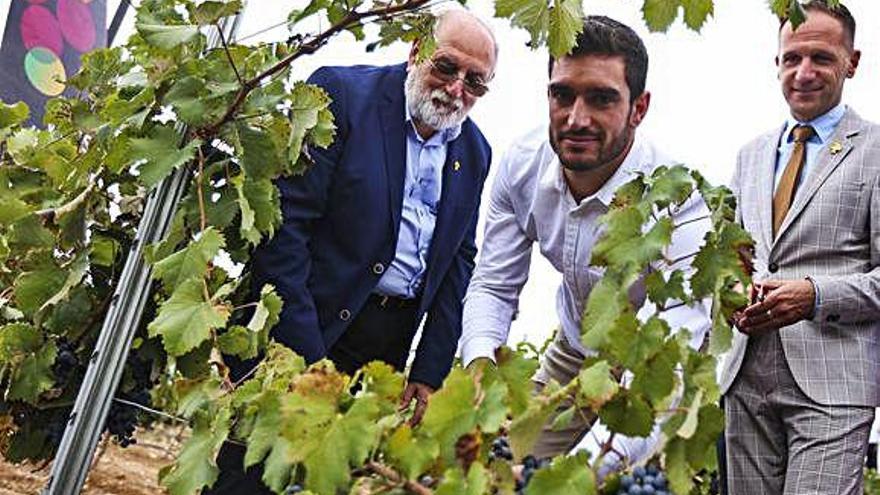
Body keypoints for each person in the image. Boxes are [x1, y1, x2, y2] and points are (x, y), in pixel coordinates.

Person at [208, 9, 497, 494]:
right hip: (303, 325)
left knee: (328, 483)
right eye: (447, 67)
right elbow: (286, 230)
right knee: (251, 479)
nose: (456, 89)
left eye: (475, 82)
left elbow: (458, 263)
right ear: (416, 51)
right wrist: (305, 357)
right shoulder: (342, 96)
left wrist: (428, 370)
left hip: (382, 352)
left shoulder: (475, 151)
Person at [459, 15, 710, 460]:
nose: (576, 119)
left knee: (619, 479)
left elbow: (672, 348)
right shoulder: (521, 166)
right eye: (562, 95)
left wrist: (577, 475)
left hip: (657, 363)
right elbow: (494, 286)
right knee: (502, 462)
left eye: (600, 99)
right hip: (575, 353)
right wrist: (480, 365)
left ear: (639, 108)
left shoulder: (679, 204)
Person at [720, 2, 880, 493]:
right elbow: (730, 256)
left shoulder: (876, 151)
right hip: (745, 377)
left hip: (832, 386)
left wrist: (813, 295)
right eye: (792, 59)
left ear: (852, 62)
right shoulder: (749, 155)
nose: (803, 73)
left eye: (821, 58)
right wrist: (729, 292)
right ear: (777, 64)